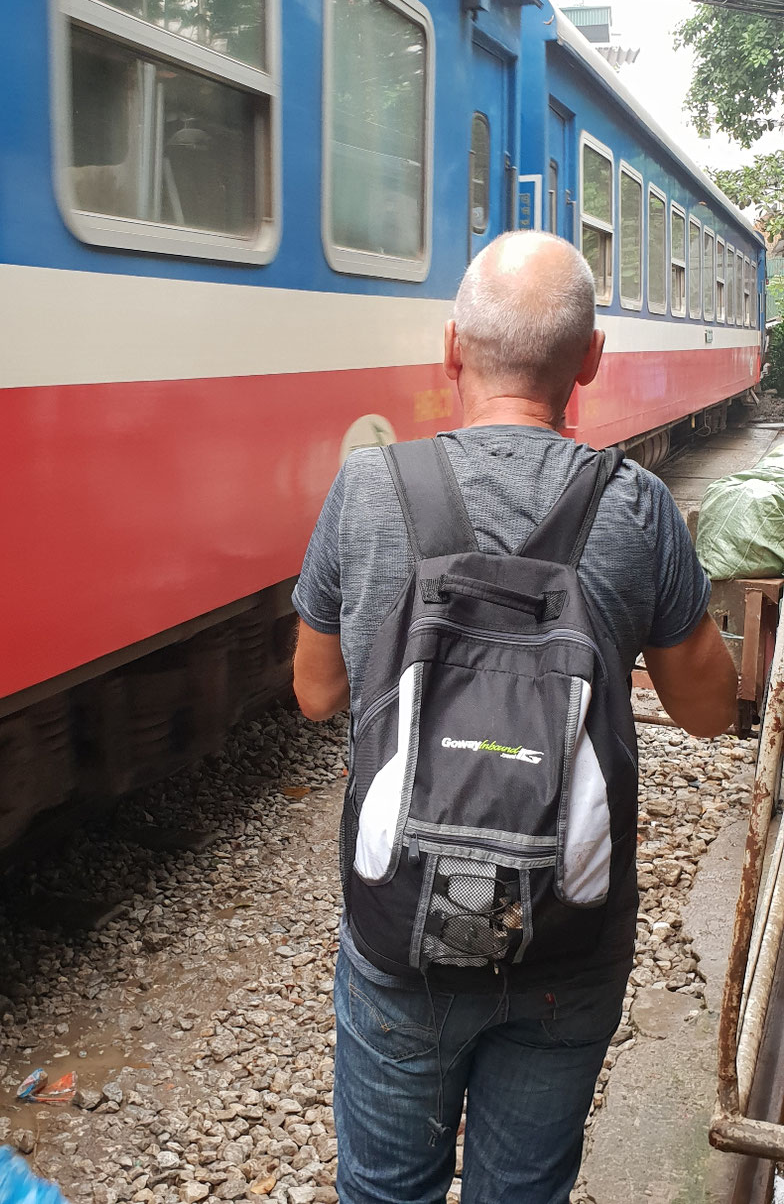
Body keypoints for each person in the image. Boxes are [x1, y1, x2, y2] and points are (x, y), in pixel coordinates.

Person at [291, 231, 738, 1204]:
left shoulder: (368, 488)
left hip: (399, 928)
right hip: (566, 939)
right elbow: (709, 710)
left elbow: (316, 693)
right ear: (590, 361)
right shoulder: (637, 508)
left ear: (452, 348)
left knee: (385, 1190)